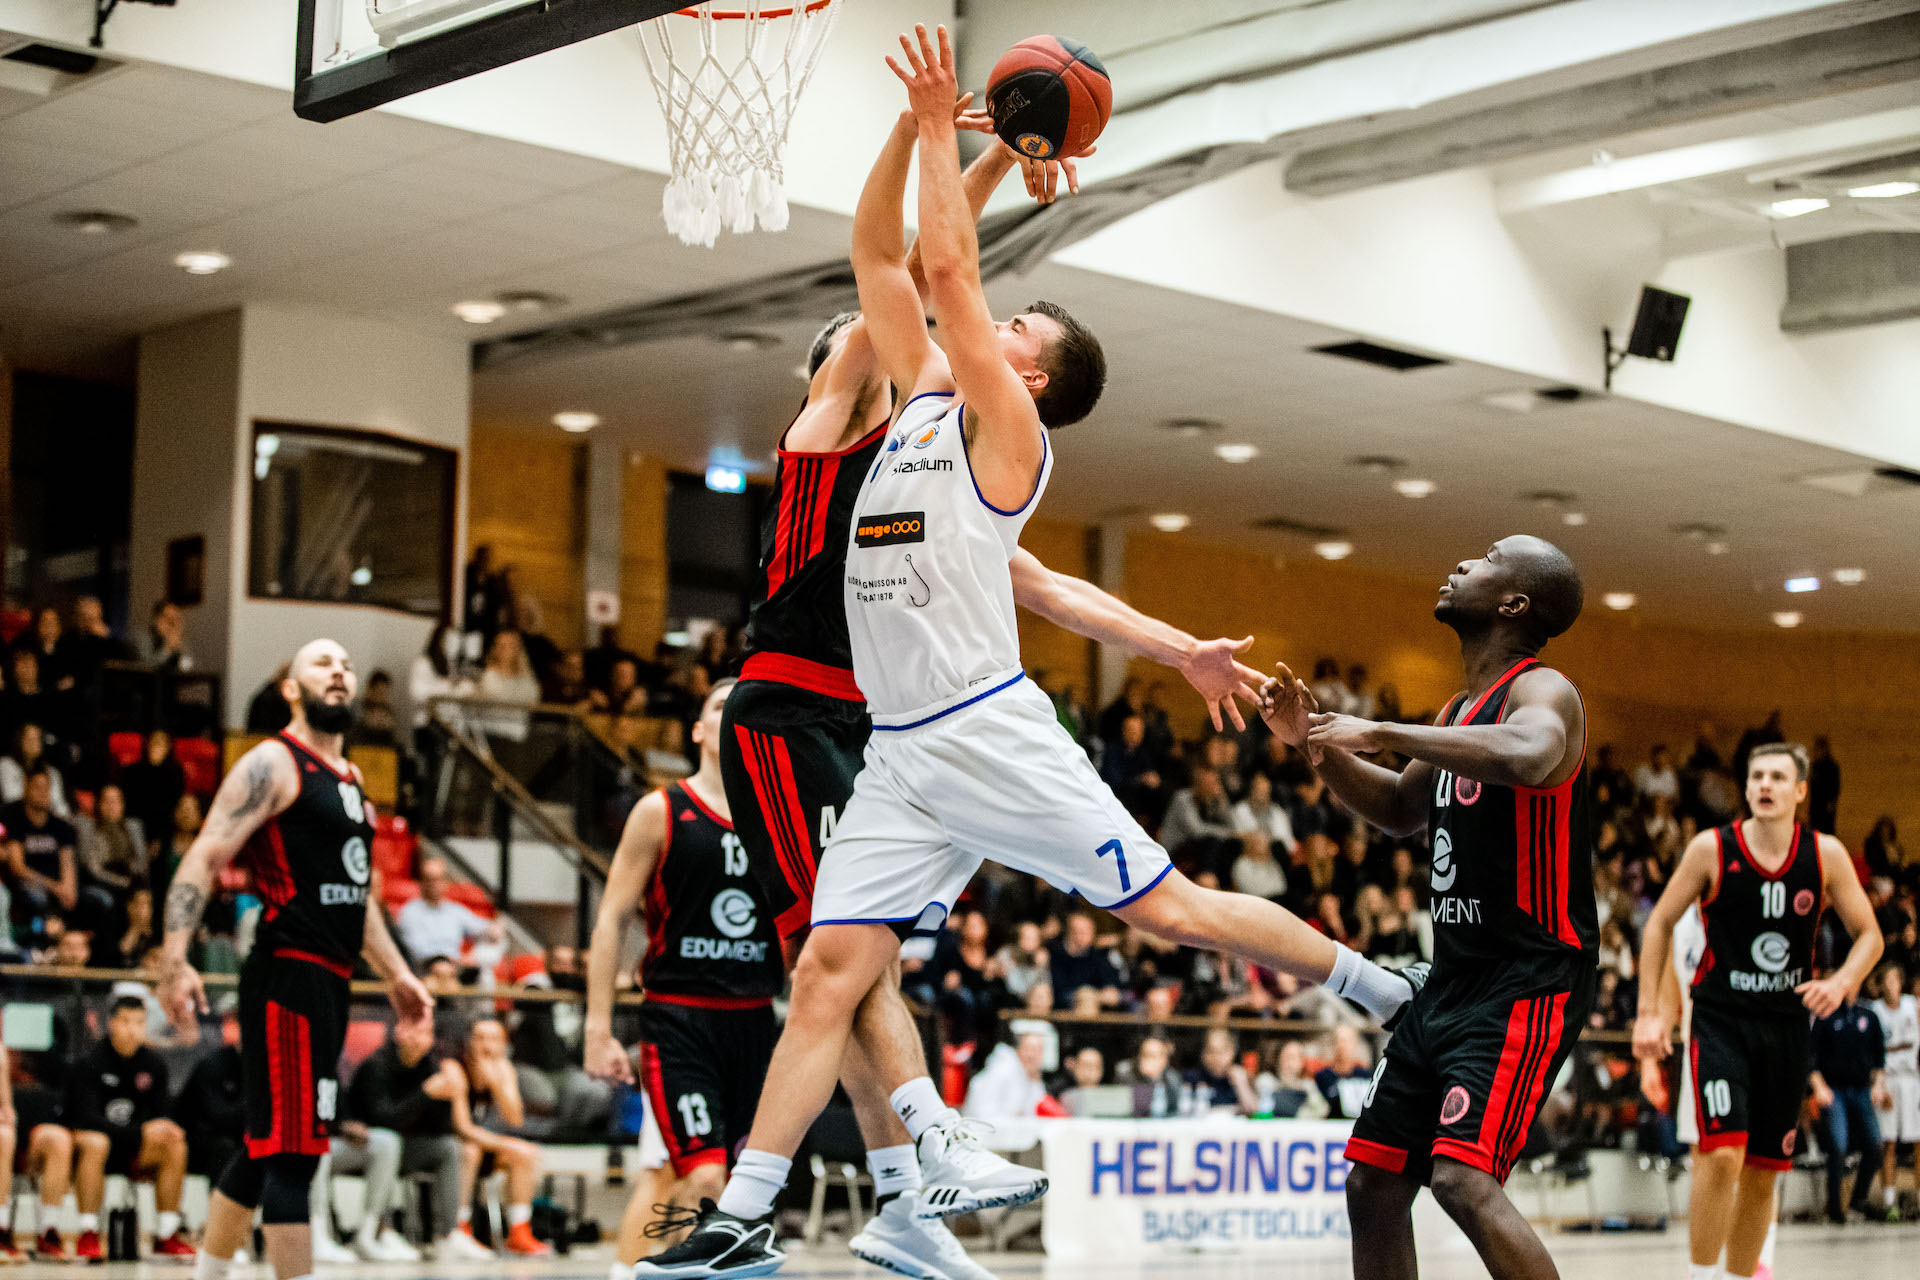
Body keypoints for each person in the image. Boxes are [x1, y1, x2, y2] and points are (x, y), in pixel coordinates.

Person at [641, 37, 1418, 1276]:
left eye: (1012, 323)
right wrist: (939, 137)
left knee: (1170, 911)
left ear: (1033, 372)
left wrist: (955, 133)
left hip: (985, 729)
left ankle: (1376, 986)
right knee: (830, 968)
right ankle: (745, 1213)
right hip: (895, 751)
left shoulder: (1004, 435)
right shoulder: (910, 412)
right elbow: (881, 259)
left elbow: (946, 263)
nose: (982, 319)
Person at [1262, 535, 1594, 1280]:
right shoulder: (1459, 710)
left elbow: (1532, 754)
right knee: (1373, 1184)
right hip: (1449, 980)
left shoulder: (1545, 693)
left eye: (1485, 558)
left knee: (1463, 1182)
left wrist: (1377, 728)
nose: (1460, 562)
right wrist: (1313, 746)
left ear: (1513, 603)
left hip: (1526, 981)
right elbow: (1397, 808)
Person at [156, 638, 433, 1280]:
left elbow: (357, 897)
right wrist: (174, 958)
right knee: (295, 1156)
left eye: (346, 665)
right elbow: (204, 856)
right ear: (291, 687)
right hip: (286, 974)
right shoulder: (272, 764)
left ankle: (208, 1274)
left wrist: (398, 975)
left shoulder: (353, 779)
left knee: (265, 1145)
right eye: (321, 664)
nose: (338, 672)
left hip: (332, 982)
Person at [1636, 742, 1882, 1280]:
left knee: (1764, 1173)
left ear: (1799, 791)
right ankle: (1701, 1275)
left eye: (1777, 776)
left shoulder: (1824, 855)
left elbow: (1870, 935)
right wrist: (1648, 1012)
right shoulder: (1710, 849)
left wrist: (1842, 982)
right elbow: (1657, 924)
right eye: (1756, 777)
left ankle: (1738, 1276)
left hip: (1787, 1028)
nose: (1764, 785)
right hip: (1721, 1021)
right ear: (1745, 789)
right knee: (1722, 1153)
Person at [322, 1011, 478, 1261]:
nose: (421, 1039)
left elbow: (441, 1128)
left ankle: (448, 1236)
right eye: (415, 1031)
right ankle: (373, 1233)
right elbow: (382, 1120)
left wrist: (449, 1096)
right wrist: (425, 1094)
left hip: (406, 1148)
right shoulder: (376, 1066)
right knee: (388, 1142)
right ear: (399, 1033)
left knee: (450, 1147)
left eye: (427, 1033)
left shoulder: (432, 1066)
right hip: (367, 1149)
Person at [67, 995, 194, 1259]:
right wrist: (139, 1132)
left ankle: (166, 1233)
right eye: (125, 1021)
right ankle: (88, 1232)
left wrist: (167, 1128)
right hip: (97, 1148)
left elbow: (161, 1115)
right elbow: (87, 1117)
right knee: (95, 1141)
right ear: (111, 1023)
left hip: (135, 1149)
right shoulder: (90, 1062)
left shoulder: (153, 1065)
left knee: (174, 1144)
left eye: (139, 1022)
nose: (132, 1029)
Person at [451, 1018, 551, 1256]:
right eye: (480, 1038)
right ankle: (460, 1227)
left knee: (523, 1156)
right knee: (470, 1150)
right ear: (470, 1042)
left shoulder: (504, 1069)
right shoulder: (456, 1069)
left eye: (494, 1039)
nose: (486, 1045)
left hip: (486, 1143)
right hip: (453, 1144)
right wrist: (507, 1144)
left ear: (504, 1045)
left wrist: (496, 1081)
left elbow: (514, 1118)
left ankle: (519, 1231)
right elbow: (462, 1128)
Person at [1810, 993, 1892, 1222]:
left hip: (1863, 1088)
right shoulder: (1825, 1015)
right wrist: (1819, 1086)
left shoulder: (1868, 1015)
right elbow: (1811, 1056)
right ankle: (1835, 1210)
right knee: (1838, 1146)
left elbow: (1879, 1059)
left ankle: (1858, 1200)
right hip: (1834, 1089)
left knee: (1876, 1146)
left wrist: (1878, 1085)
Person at [1, 1044, 76, 1261]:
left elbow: (7, 1110)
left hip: (30, 1122)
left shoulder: (42, 1051)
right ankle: (2, 1227)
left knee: (58, 1140)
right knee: (2, 1137)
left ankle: (48, 1230)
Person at [2, 768, 80, 943]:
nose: (43, 792)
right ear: (26, 789)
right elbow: (18, 868)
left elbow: (67, 862)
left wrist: (69, 889)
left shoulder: (60, 826)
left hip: (57, 887)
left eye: (47, 787)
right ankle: (39, 943)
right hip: (28, 884)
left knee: (98, 901)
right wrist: (55, 887)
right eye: (37, 787)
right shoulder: (16, 822)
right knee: (38, 898)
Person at [1870, 963, 1919, 1216]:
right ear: (1881, 985)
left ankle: (1918, 1200)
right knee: (1887, 1142)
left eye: (1895, 979)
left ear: (1901, 982)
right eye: (1887, 980)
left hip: (1912, 1079)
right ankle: (1890, 1204)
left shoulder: (1913, 1005)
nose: (1892, 984)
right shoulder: (1875, 1011)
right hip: (1888, 1080)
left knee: (1918, 1141)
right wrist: (1878, 1085)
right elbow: (1871, 1053)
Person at [394, 857, 497, 969]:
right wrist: (448, 961)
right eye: (429, 879)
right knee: (441, 969)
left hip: (456, 970)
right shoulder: (410, 911)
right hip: (425, 971)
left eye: (439, 879)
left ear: (446, 882)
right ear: (421, 881)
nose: (434, 884)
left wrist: (495, 929)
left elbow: (486, 929)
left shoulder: (454, 910)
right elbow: (417, 951)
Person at [74, 783, 147, 898]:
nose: (111, 806)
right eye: (106, 801)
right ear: (99, 805)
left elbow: (141, 865)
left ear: (122, 805)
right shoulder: (91, 830)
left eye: (116, 801)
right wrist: (122, 882)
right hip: (102, 882)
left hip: (129, 879)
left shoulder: (132, 828)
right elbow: (93, 869)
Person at [962, 1032, 1050, 1122]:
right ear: (1019, 1050)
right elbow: (983, 1112)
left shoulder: (1029, 1075)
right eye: (1030, 1049)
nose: (1033, 1055)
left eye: (1039, 1050)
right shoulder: (1001, 1071)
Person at [1, 723, 70, 816]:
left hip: (46, 822)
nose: (32, 744)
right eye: (29, 739)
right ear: (19, 740)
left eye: (36, 739)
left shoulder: (52, 772)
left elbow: (60, 807)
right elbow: (11, 798)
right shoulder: (6, 764)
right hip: (15, 819)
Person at [1185, 1027, 1259, 1114]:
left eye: (1222, 1051)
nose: (1216, 1057)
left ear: (1232, 1052)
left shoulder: (1241, 1077)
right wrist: (1234, 1109)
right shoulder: (1191, 1078)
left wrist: (1241, 1084)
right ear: (1203, 1054)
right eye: (1211, 1051)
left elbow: (1254, 1111)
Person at [139, 600, 191, 671]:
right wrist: (168, 648)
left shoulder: (176, 641)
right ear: (157, 620)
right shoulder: (143, 639)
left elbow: (188, 667)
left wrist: (179, 649)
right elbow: (149, 667)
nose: (173, 625)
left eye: (177, 620)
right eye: (169, 620)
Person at [1809, 735, 1841, 836]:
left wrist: (1832, 802)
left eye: (1819, 749)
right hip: (1815, 804)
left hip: (1826, 804)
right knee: (1814, 829)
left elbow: (1835, 786)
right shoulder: (1815, 765)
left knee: (1826, 829)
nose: (1817, 752)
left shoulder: (1832, 766)